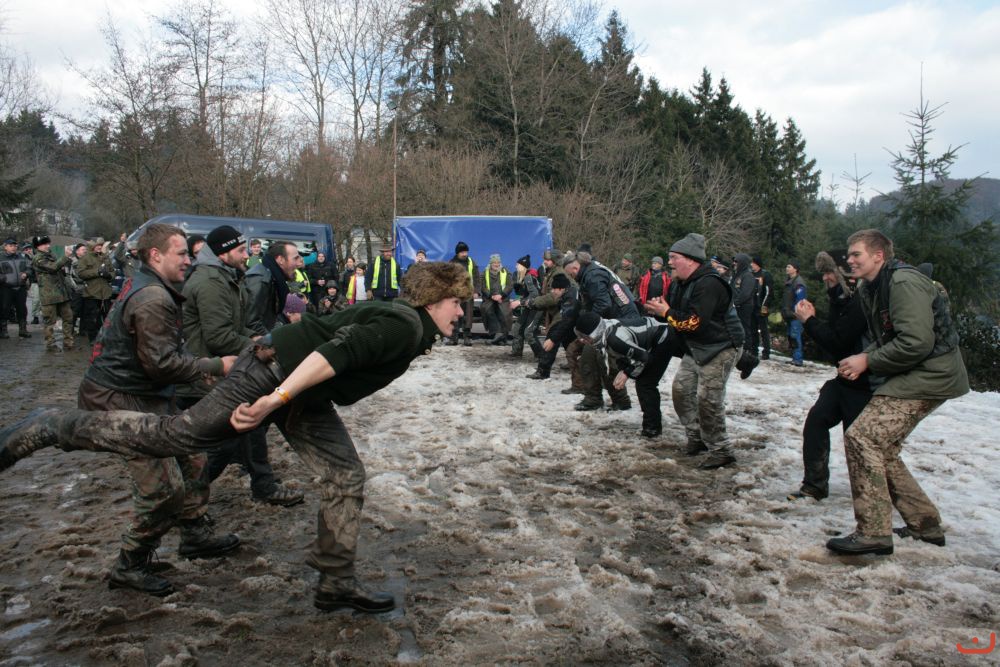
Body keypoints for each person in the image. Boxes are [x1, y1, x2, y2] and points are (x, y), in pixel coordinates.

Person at [2, 261, 473, 614]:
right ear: (433, 300)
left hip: (299, 392)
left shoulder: (407, 324)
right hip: (271, 374)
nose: (461, 311)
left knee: (345, 475)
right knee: (177, 435)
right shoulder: (403, 325)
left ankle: (335, 581)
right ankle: (53, 425)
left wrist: (283, 399)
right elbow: (333, 354)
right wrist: (273, 399)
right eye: (456, 301)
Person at [79, 223, 240, 596]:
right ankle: (131, 564)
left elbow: (163, 357)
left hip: (146, 397)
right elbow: (162, 364)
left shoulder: (154, 287)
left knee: (194, 458)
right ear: (155, 255)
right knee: (163, 488)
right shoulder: (152, 298)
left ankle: (194, 534)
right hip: (120, 402)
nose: (189, 260)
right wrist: (216, 366)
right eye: (181, 253)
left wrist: (200, 376)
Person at [825, 230, 969, 556]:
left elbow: (916, 342)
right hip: (917, 372)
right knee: (882, 447)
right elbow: (890, 336)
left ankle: (873, 532)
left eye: (856, 254)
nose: (849, 260)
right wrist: (864, 357)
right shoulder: (872, 287)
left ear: (878, 255)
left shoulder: (903, 283)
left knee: (863, 437)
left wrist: (868, 360)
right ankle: (924, 523)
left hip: (933, 374)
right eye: (849, 254)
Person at [179, 225, 304, 508]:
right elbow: (218, 336)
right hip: (208, 372)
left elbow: (240, 325)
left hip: (226, 368)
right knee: (225, 442)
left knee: (250, 424)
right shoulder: (211, 282)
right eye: (239, 250)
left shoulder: (228, 277)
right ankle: (182, 500)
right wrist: (258, 346)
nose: (246, 254)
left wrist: (264, 340)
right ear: (223, 254)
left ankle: (262, 484)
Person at [645, 233, 743, 469]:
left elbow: (694, 323)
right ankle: (696, 436)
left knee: (708, 399)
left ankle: (721, 450)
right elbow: (677, 316)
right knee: (681, 391)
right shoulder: (680, 283)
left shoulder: (709, 284)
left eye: (674, 257)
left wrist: (666, 313)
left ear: (690, 260)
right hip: (697, 346)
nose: (669, 263)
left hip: (722, 346)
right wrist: (662, 311)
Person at [788, 250, 871, 502]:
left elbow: (838, 342)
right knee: (816, 420)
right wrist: (812, 321)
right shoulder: (841, 299)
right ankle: (814, 486)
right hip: (845, 379)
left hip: (866, 383)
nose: (825, 278)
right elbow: (835, 344)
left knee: (860, 442)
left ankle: (874, 495)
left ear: (843, 274)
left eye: (829, 273)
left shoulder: (860, 302)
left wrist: (809, 321)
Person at [566, 246, 640, 411]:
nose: (571, 277)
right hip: (614, 320)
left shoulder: (593, 276)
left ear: (576, 268)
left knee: (604, 360)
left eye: (571, 274)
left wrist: (589, 326)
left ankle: (619, 400)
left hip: (621, 322)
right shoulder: (591, 272)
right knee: (589, 358)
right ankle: (594, 398)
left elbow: (603, 304)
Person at [583, 312, 673, 437]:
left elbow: (645, 358)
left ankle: (652, 429)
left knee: (645, 384)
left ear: (595, 332)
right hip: (658, 336)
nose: (581, 340)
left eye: (585, 337)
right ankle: (652, 426)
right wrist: (625, 369)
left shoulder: (614, 339)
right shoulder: (606, 330)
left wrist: (627, 372)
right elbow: (624, 355)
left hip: (664, 335)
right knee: (644, 382)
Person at [525, 272, 579, 380]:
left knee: (551, 340)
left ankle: (543, 371)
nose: (552, 291)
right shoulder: (568, 292)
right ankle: (576, 365)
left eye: (554, 289)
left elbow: (566, 321)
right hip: (574, 323)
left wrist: (552, 339)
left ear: (562, 289)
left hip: (572, 322)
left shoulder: (570, 298)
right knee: (570, 343)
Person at [31, 235, 75, 353]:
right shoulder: (38, 258)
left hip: (61, 293)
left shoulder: (51, 255)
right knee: (50, 322)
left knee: (68, 318)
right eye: (44, 244)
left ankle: (68, 342)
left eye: (47, 243)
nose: (47, 246)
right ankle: (50, 344)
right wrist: (65, 256)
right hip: (49, 295)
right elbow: (53, 267)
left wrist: (66, 262)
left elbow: (59, 269)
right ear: (37, 246)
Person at [246, 241, 301, 332]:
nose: (298, 263)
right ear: (281, 259)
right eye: (295, 258)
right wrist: (274, 339)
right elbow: (251, 323)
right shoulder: (260, 280)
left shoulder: (274, 278)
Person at [76, 239, 115, 343]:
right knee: (92, 318)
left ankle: (107, 338)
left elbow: (112, 272)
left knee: (108, 317)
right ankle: (93, 338)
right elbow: (81, 273)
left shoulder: (105, 257)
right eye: (97, 245)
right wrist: (97, 272)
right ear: (92, 246)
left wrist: (109, 275)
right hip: (92, 293)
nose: (99, 247)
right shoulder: (85, 258)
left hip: (106, 293)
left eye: (101, 245)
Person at [448, 242, 479, 346]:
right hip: (455, 294)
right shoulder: (451, 263)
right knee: (454, 315)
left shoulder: (471, 262)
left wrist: (476, 291)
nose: (465, 254)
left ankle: (467, 337)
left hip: (468, 293)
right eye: (462, 252)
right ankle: (454, 338)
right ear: (457, 253)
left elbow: (476, 277)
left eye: (466, 252)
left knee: (468, 316)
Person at [510, 254, 541, 357]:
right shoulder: (523, 277)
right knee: (517, 328)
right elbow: (525, 294)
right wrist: (517, 288)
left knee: (528, 333)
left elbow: (535, 295)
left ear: (523, 266)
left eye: (518, 265)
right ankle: (517, 351)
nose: (516, 266)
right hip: (529, 306)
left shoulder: (528, 277)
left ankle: (541, 355)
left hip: (536, 307)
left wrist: (520, 302)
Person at [1, 237, 32, 339]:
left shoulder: (22, 256)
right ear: (5, 247)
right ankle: (3, 331)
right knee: (4, 309)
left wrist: (26, 273)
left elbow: (29, 268)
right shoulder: (1, 258)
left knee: (22, 309)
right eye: (11, 246)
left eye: (15, 246)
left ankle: (23, 330)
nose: (13, 247)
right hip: (6, 288)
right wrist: (4, 278)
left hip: (20, 287)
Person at [480, 254, 513, 345]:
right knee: (488, 310)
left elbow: (510, 286)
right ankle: (498, 334)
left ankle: (503, 337)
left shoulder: (505, 272)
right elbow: (483, 287)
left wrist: (501, 295)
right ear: (491, 264)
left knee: (504, 313)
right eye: (494, 262)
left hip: (503, 298)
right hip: (489, 298)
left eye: (498, 262)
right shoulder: (485, 273)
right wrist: (491, 296)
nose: (496, 264)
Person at [782, 261, 807, 366]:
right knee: (791, 337)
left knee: (795, 336)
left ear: (795, 269)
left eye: (789, 266)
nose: (787, 268)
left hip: (795, 316)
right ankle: (794, 358)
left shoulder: (799, 283)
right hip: (789, 314)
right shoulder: (789, 281)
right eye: (786, 266)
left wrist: (796, 313)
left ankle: (798, 359)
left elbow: (800, 301)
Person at [750, 256, 773, 359]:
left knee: (764, 330)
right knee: (753, 329)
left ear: (757, 264)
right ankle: (754, 350)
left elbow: (769, 292)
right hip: (752, 306)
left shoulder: (765, 275)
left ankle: (766, 352)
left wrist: (764, 307)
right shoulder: (751, 274)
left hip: (762, 306)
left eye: (753, 263)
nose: (751, 265)